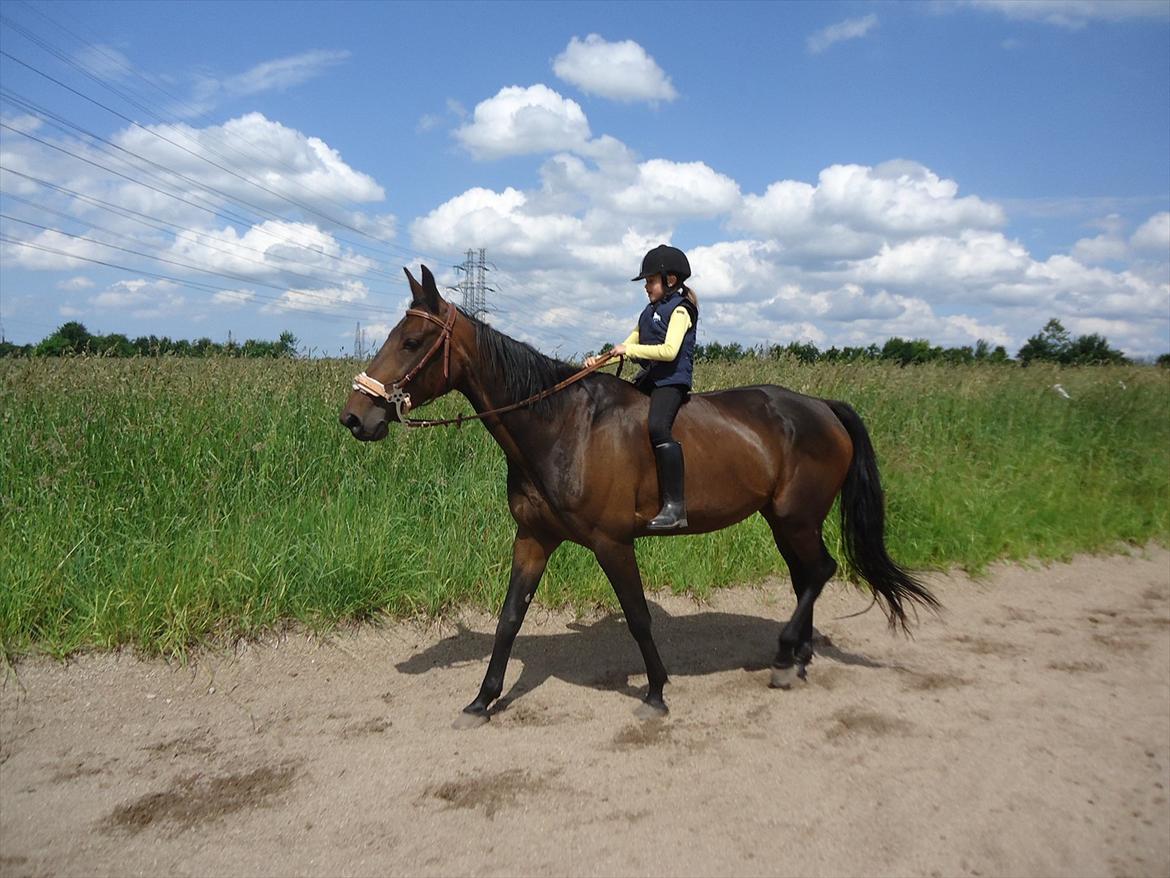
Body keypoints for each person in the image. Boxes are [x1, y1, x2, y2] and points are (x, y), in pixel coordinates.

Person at [586, 244, 699, 531]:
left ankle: (675, 507)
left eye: (650, 281)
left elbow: (670, 351)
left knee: (659, 427)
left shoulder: (681, 310)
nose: (646, 287)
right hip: (650, 379)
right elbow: (625, 348)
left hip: (671, 382)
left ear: (669, 280)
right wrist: (597, 362)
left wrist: (630, 349)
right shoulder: (649, 313)